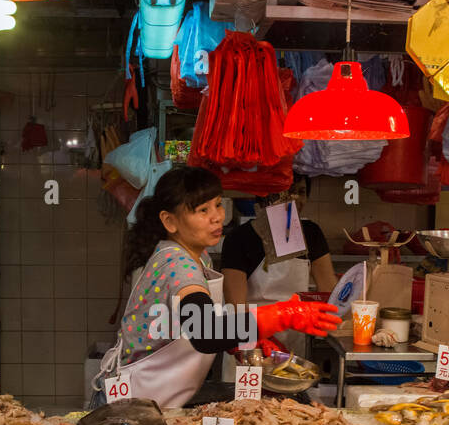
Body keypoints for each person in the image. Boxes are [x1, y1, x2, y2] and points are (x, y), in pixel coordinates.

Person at [89, 167, 341, 408]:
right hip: (128, 403)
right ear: (169, 221)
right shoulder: (177, 264)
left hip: (154, 399)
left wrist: (244, 340)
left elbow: (195, 322)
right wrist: (281, 315)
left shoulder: (199, 257)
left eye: (218, 204)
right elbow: (205, 332)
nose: (217, 216)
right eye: (202, 210)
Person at [220, 208, 337, 353]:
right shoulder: (239, 237)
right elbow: (235, 307)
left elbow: (329, 290)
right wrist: (259, 338)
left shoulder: (310, 233)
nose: (294, 199)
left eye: (301, 192)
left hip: (294, 340)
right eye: (286, 193)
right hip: (249, 338)